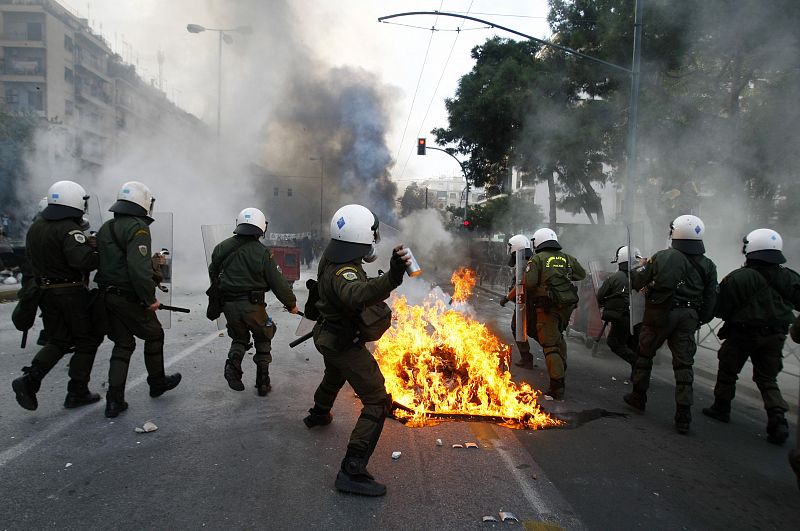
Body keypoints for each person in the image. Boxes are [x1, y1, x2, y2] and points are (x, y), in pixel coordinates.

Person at [303, 204, 411, 497]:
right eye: (372, 234)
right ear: (364, 236)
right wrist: (392, 276)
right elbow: (357, 294)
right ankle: (352, 470)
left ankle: (319, 413)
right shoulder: (345, 271)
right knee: (376, 400)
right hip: (341, 342)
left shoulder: (332, 255)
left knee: (334, 375)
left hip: (327, 336)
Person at [702, 228, 799, 446]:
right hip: (776, 335)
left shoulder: (739, 277)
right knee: (767, 378)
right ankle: (778, 418)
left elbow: (721, 308)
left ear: (751, 249)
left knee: (728, 370)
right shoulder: (789, 277)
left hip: (743, 333)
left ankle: (721, 407)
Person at [11, 181, 102, 411]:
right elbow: (81, 261)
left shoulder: (36, 227)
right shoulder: (68, 229)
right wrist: (96, 251)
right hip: (69, 293)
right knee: (87, 339)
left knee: (59, 340)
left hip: (45, 293)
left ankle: (31, 379)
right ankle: (77, 391)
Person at [623, 214, 718, 434]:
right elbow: (711, 298)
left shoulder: (663, 257)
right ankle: (683, 415)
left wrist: (640, 267)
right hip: (690, 316)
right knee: (684, 364)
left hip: (661, 313)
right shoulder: (709, 265)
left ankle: (638, 396)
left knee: (645, 355)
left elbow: (637, 282)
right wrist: (699, 318)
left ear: (675, 233)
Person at [95, 181, 180, 418]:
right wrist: (149, 298)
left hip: (107, 295)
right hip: (128, 297)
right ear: (144, 202)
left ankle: (114, 400)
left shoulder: (106, 228)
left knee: (123, 344)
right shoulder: (138, 228)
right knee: (155, 334)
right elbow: (137, 269)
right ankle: (157, 383)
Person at [208, 207, 299, 396]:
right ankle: (263, 381)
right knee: (264, 335)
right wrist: (291, 303)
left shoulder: (221, 247)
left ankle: (232, 365)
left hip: (228, 305)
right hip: (252, 306)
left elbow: (213, 272)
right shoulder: (263, 253)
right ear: (261, 227)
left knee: (239, 337)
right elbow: (278, 282)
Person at [524, 228, 586, 399]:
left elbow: (529, 284)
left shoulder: (537, 259)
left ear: (538, 242)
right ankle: (561, 367)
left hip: (547, 307)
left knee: (550, 344)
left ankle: (557, 386)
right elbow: (581, 274)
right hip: (566, 306)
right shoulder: (567, 258)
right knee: (558, 337)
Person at [596, 246, 643, 371]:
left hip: (623, 316)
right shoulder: (642, 277)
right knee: (633, 345)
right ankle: (638, 375)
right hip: (639, 318)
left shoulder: (615, 277)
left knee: (614, 342)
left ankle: (639, 364)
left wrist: (605, 304)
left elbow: (600, 295)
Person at [499, 234, 534, 368]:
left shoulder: (526, 264)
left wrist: (507, 298)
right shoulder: (528, 261)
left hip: (526, 303)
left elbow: (520, 284)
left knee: (517, 327)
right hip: (528, 302)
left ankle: (526, 358)